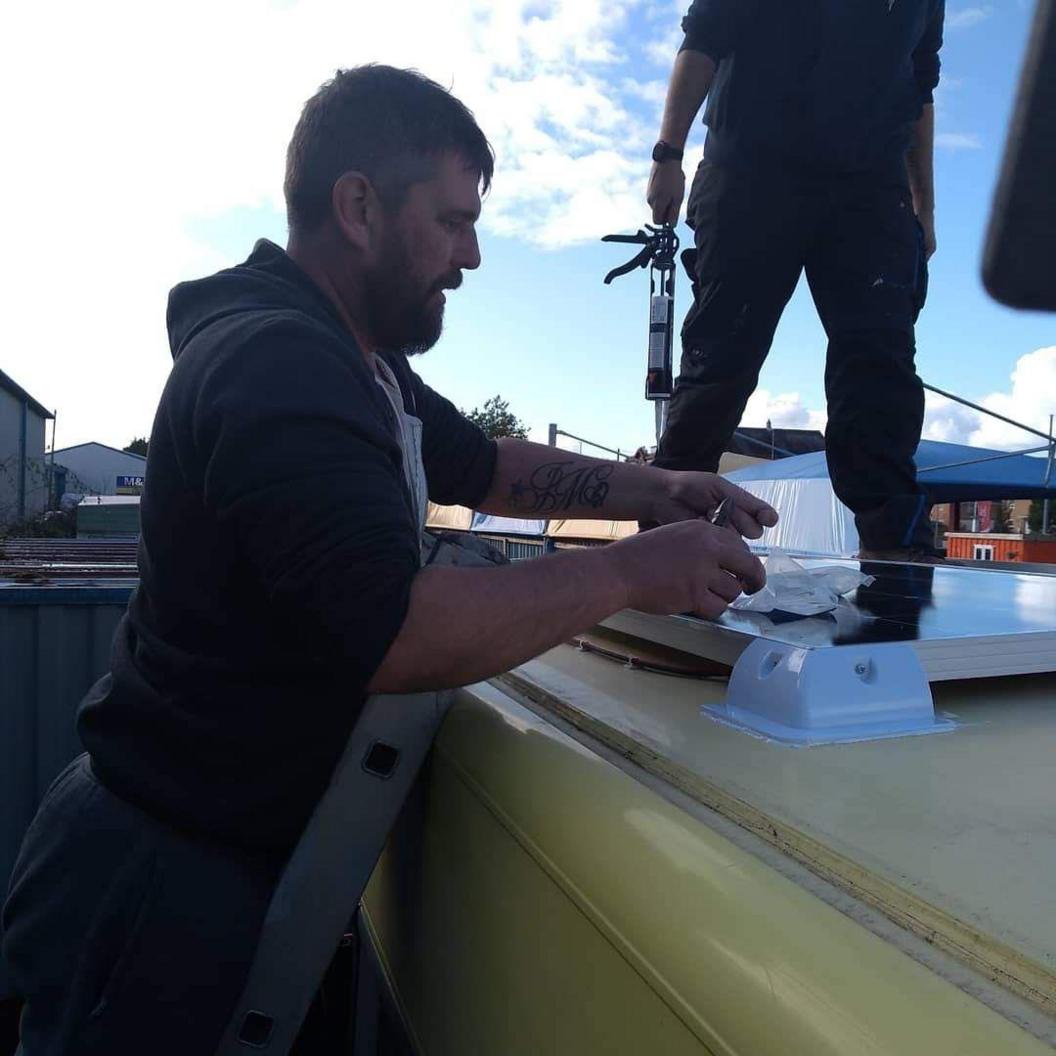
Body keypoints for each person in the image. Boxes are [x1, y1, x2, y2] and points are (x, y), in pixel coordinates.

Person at [2, 65, 776, 1054]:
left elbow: (488, 465)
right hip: (158, 884)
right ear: (359, 205)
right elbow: (394, 632)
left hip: (207, 860)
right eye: (453, 222)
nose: (474, 254)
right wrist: (630, 574)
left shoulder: (361, 363)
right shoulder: (277, 362)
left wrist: (657, 489)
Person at [647, 0, 945, 560]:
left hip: (869, 190)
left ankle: (895, 551)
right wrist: (669, 154)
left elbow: (919, 88)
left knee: (881, 369)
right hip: (750, 173)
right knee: (720, 360)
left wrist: (924, 208)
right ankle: (667, 541)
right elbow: (703, 39)